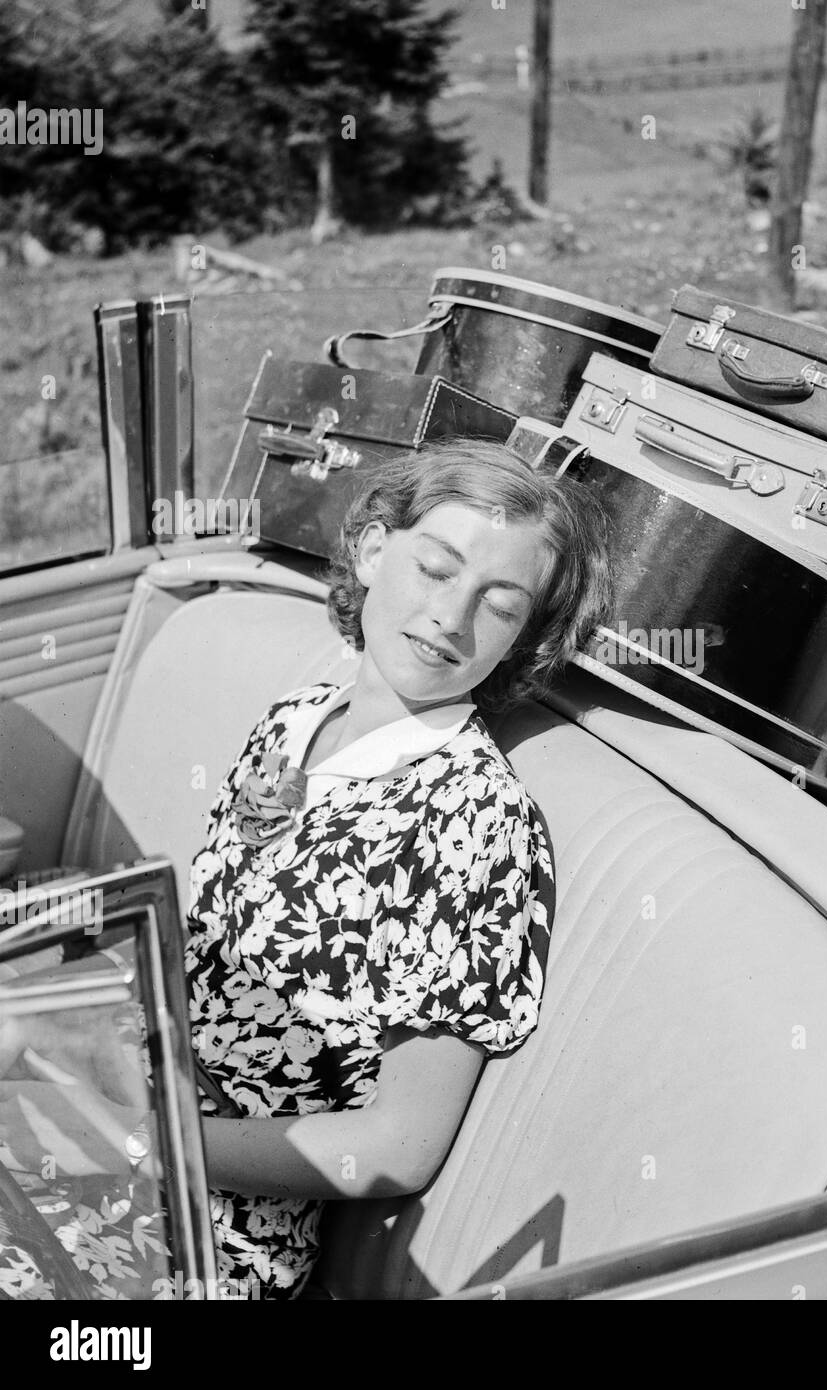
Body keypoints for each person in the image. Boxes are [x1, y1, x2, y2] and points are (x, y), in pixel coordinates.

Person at [0, 440, 612, 1299]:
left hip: (209, 1228)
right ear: (370, 550)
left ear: (523, 640)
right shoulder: (295, 719)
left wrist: (141, 1134)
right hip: (116, 1101)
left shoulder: (478, 824)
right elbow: (214, 961)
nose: (450, 617)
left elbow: (400, 1144)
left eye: (499, 605)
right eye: (435, 569)